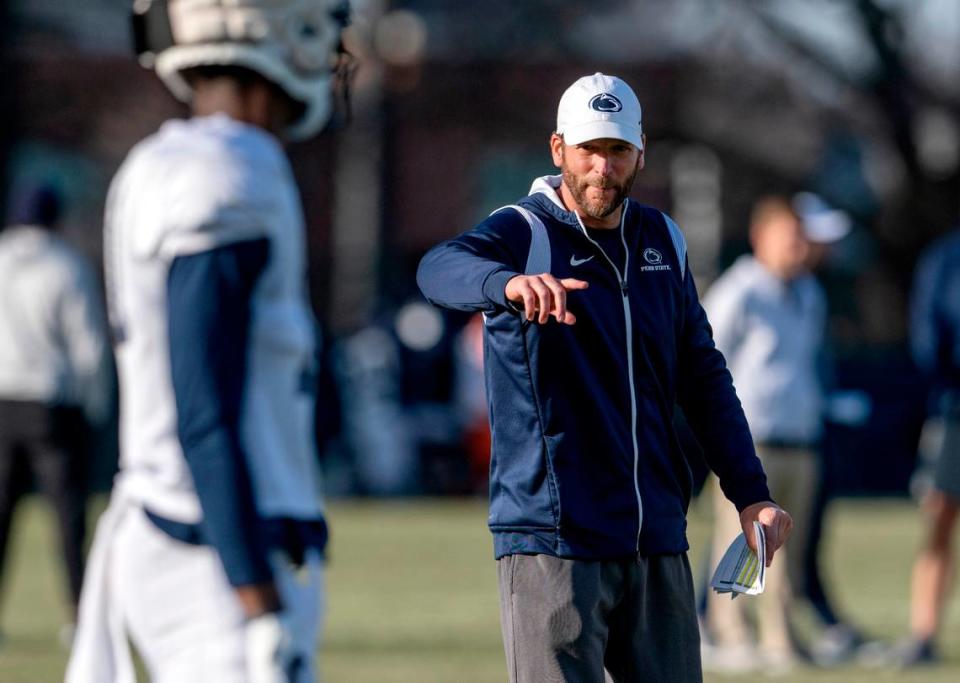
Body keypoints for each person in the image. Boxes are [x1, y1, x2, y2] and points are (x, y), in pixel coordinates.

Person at [417, 72, 793, 683]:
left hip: (657, 538)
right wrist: (506, 283)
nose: (602, 167)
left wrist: (751, 492)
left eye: (617, 151)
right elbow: (439, 267)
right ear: (558, 148)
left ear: (639, 154)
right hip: (554, 540)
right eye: (589, 149)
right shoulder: (525, 231)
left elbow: (702, 375)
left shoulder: (662, 238)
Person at [66, 1, 350, 681]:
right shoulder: (227, 170)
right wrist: (256, 600)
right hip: (213, 554)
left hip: (192, 536)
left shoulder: (171, 158)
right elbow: (204, 409)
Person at [701, 196, 823, 671]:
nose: (797, 246)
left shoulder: (809, 291)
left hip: (800, 437)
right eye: (787, 235)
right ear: (761, 237)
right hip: (751, 440)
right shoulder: (741, 289)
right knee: (739, 541)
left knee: (790, 548)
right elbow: (707, 354)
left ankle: (781, 639)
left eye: (801, 237)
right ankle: (730, 635)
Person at [0, 184, 111, 641]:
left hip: (3, 401)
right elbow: (89, 345)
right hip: (51, 404)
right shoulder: (66, 266)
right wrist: (98, 403)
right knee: (67, 516)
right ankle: (79, 613)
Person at [893, 226, 960, 666]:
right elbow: (927, 338)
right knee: (939, 516)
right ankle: (923, 633)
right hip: (955, 407)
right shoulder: (946, 257)